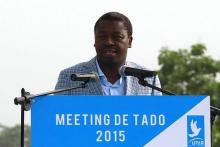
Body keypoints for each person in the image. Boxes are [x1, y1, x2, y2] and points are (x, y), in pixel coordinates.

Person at [55, 12, 162, 95]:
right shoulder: (69, 77)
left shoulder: (148, 79)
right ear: (95, 41)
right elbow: (57, 119)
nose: (109, 42)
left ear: (129, 42)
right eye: (102, 37)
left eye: (117, 37)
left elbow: (159, 119)